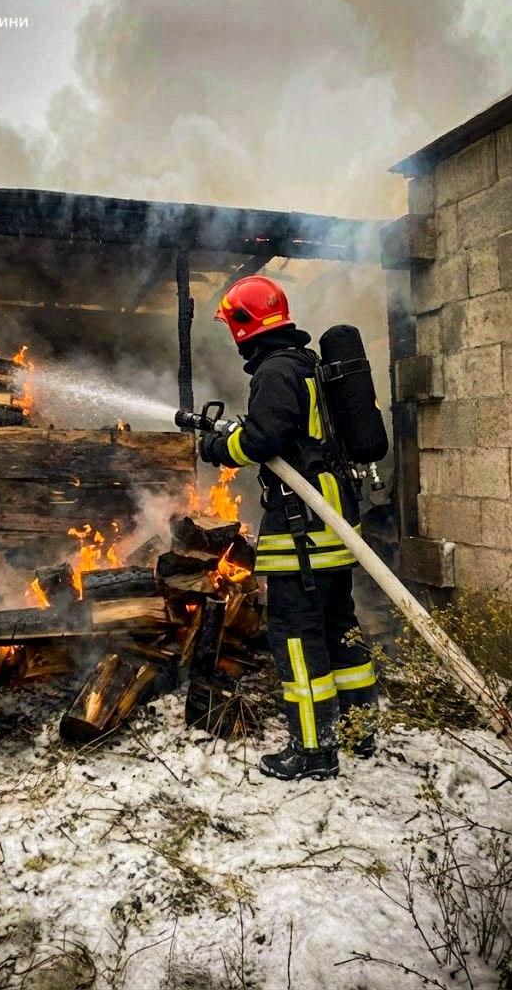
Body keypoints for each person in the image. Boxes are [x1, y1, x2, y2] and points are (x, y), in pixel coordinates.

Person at [199, 275, 376, 780]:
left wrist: (218, 448)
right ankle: (359, 730)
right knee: (339, 626)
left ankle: (314, 750)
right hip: (335, 522)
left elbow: (265, 439)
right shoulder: (307, 366)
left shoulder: (276, 371)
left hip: (304, 526)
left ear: (242, 324)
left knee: (296, 635)